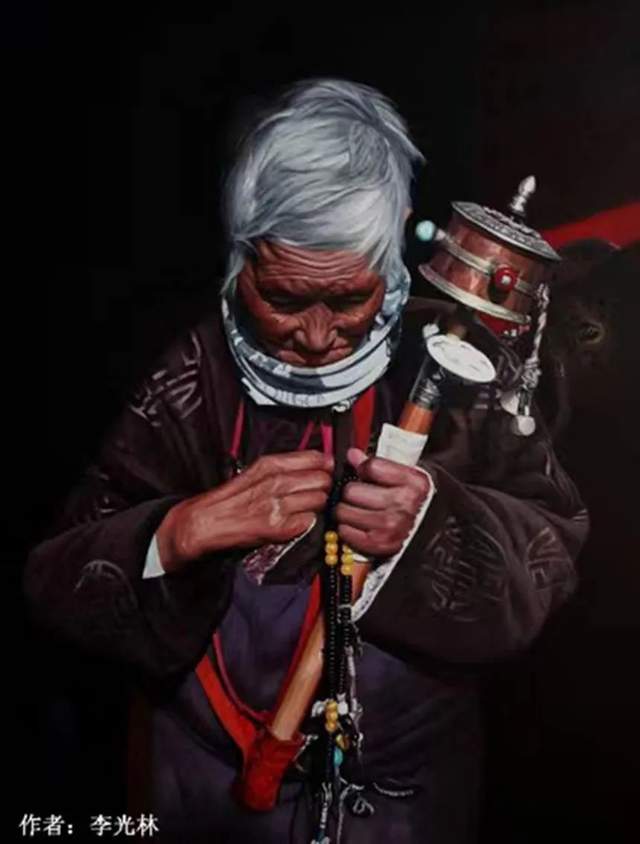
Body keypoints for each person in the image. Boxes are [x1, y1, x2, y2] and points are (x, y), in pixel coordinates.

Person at [24, 78, 587, 843]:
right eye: (284, 300)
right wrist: (180, 532)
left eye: (349, 300)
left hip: (399, 791)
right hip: (199, 780)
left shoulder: (469, 373)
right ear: (241, 263)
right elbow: (55, 584)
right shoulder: (191, 375)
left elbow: (550, 557)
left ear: (391, 258)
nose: (318, 338)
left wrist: (426, 527)